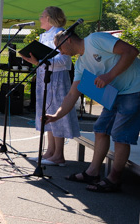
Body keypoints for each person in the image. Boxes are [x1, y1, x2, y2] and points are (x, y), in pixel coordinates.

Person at [45, 30, 140, 193]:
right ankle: (92, 173)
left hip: (134, 89)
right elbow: (72, 94)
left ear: (67, 40)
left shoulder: (95, 40)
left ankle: (114, 178)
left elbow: (131, 51)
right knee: (100, 130)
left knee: (120, 135)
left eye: (59, 47)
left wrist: (108, 76)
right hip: (115, 93)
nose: (60, 52)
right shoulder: (81, 63)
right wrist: (55, 116)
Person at [20, 7, 79, 165]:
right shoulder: (44, 35)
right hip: (44, 77)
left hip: (57, 78)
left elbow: (65, 61)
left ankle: (58, 155)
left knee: (55, 113)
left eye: (42, 16)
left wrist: (39, 62)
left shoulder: (60, 34)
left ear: (50, 18)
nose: (40, 18)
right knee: (46, 114)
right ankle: (49, 152)